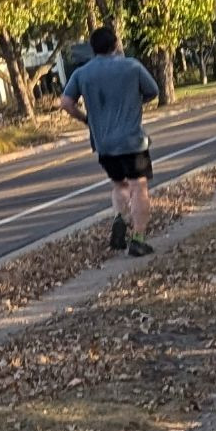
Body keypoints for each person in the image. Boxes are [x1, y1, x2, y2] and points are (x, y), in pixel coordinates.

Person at [60, 24, 160, 257]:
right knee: (139, 186)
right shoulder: (131, 66)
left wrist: (87, 120)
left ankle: (118, 218)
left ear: (93, 49)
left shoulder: (81, 73)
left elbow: (65, 103)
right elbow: (153, 90)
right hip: (132, 141)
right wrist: (134, 102)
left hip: (103, 143)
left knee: (119, 184)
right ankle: (138, 238)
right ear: (116, 44)